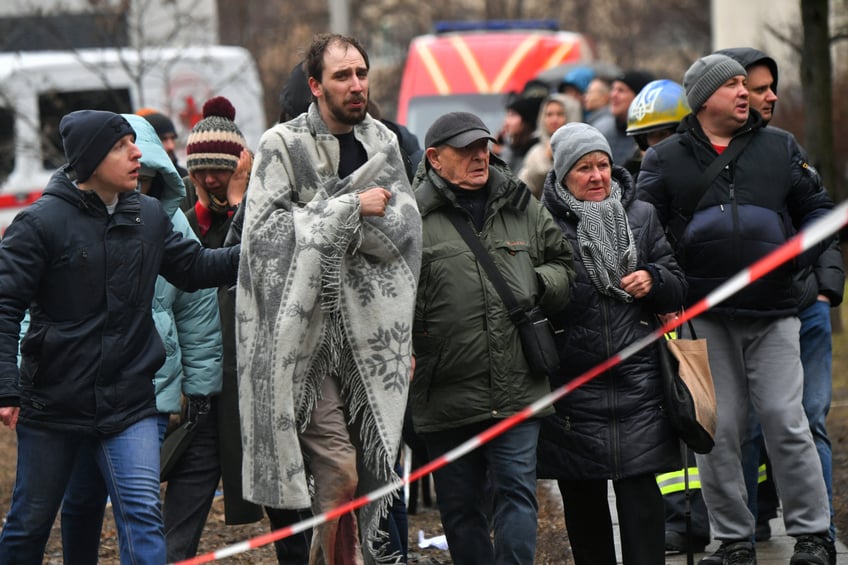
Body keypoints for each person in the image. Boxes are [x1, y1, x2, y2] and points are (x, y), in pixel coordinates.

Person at [0, 109, 239, 564]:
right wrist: (5, 384)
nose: (137, 155)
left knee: (143, 515)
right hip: (53, 405)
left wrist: (257, 251)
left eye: (135, 143)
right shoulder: (38, 225)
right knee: (30, 523)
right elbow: (5, 305)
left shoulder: (148, 216)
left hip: (128, 402)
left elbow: (195, 267)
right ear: (90, 161)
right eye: (120, 147)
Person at [637, 53, 836, 565]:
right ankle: (731, 541)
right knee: (720, 431)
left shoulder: (780, 147)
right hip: (705, 318)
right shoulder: (665, 159)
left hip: (775, 312)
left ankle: (813, 534)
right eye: (733, 86)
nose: (746, 93)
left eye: (747, 84)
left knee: (785, 420)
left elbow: (818, 210)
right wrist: (665, 287)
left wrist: (800, 262)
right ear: (705, 98)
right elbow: (646, 232)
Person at [236, 33, 422, 565]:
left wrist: (403, 339)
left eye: (361, 73)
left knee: (373, 468)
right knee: (337, 472)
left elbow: (406, 232)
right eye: (343, 76)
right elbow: (264, 237)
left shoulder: (383, 142)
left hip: (372, 336)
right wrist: (347, 211)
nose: (356, 84)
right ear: (316, 85)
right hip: (304, 342)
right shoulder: (281, 145)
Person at [57, 113, 225, 562]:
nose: (139, 183)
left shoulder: (168, 225)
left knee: (140, 507)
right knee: (79, 502)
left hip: (148, 389)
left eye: (150, 177)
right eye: (137, 172)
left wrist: (201, 387)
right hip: (74, 389)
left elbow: (198, 308)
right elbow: (33, 309)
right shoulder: (64, 223)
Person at [410, 111, 575, 565]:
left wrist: (537, 284)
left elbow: (565, 266)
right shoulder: (411, 217)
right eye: (465, 150)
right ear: (435, 159)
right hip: (446, 393)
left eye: (483, 146)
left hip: (517, 385)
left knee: (517, 497)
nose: (479, 156)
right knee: (461, 509)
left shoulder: (521, 204)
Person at [536, 122, 686, 565]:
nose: (598, 176)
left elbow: (677, 282)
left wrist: (654, 279)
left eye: (603, 164)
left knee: (642, 502)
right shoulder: (543, 224)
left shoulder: (640, 215)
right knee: (584, 510)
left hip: (638, 386)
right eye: (584, 168)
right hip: (573, 388)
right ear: (563, 176)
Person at [716, 46, 845, 548]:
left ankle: (819, 535)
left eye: (771, 86)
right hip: (740, 316)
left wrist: (825, 290)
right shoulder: (707, 157)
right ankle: (743, 534)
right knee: (741, 431)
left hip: (801, 307)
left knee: (806, 422)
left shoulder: (785, 149)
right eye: (755, 86)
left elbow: (822, 220)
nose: (767, 95)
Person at [183, 95, 313, 564]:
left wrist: (241, 201)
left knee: (281, 483)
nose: (211, 180)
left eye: (220, 169)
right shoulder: (185, 209)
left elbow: (266, 260)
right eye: (200, 171)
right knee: (192, 483)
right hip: (206, 376)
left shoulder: (267, 194)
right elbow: (189, 272)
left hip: (263, 370)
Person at [624, 78, 712, 554]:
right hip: (673, 304)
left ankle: (749, 510)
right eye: (645, 140)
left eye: (661, 136)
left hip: (714, 302)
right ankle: (681, 517)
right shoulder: (646, 184)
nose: (652, 148)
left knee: (718, 413)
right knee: (679, 407)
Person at [518, 93, 582, 198]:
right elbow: (521, 191)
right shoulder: (536, 151)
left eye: (560, 114)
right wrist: (545, 159)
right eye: (549, 114)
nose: (554, 120)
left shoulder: (583, 149)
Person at [595, 70, 654, 165]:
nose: (613, 95)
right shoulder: (602, 131)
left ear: (639, 97)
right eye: (613, 89)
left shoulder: (652, 136)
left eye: (621, 90)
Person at [496, 94, 544, 173]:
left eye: (513, 115)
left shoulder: (535, 150)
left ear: (527, 121)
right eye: (507, 115)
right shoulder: (515, 148)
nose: (506, 122)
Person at [137, 107, 189, 177]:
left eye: (173, 138)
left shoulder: (183, 178)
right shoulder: (135, 179)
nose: (171, 146)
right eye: (163, 139)